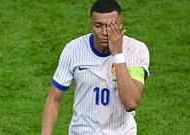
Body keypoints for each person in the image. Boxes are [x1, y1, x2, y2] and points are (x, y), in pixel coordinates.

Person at [41, 0, 150, 134]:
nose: (104, 32)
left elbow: (131, 103)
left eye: (111, 25)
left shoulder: (136, 50)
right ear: (91, 24)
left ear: (120, 23)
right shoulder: (73, 50)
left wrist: (117, 54)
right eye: (98, 25)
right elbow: (54, 98)